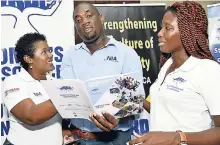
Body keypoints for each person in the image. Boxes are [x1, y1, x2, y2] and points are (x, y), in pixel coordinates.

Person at [129, 1, 220, 145]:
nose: (159, 33)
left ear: (187, 31)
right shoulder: (167, 66)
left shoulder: (208, 70)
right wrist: (133, 101)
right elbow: (167, 109)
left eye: (168, 28)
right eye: (161, 27)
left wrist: (178, 138)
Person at [60, 2, 145, 145]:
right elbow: (68, 96)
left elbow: (135, 98)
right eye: (78, 20)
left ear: (101, 18)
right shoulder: (70, 56)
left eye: (89, 15)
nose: (84, 22)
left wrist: (117, 117)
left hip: (116, 137)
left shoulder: (126, 53)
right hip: (82, 138)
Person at [3, 33, 64, 145]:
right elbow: (31, 116)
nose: (50, 55)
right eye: (44, 52)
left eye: (49, 51)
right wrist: (66, 95)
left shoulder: (55, 83)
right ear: (28, 59)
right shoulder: (13, 82)